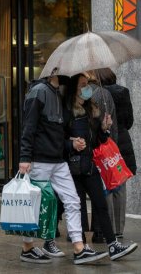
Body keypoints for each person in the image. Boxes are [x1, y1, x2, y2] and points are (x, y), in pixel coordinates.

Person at [18, 72, 107, 264]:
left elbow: (58, 131)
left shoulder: (58, 94)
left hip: (58, 160)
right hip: (40, 160)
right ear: (56, 72)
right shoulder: (39, 92)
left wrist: (69, 143)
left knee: (73, 200)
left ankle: (79, 247)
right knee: (36, 204)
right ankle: (27, 247)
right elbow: (29, 126)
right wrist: (25, 157)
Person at [62, 72, 137, 260]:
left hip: (90, 165)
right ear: (75, 88)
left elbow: (96, 142)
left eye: (87, 84)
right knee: (77, 208)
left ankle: (112, 245)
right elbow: (58, 140)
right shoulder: (66, 112)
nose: (87, 88)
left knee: (100, 205)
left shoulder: (91, 110)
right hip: (73, 168)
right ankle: (81, 248)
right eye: (83, 84)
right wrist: (71, 144)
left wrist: (104, 129)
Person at [96, 68, 136, 239]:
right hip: (122, 142)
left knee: (107, 185)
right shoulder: (123, 91)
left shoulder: (98, 94)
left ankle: (109, 228)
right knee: (119, 183)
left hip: (106, 141)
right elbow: (129, 121)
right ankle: (119, 228)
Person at [86, 70, 119, 243]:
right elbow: (113, 125)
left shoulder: (83, 96)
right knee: (101, 191)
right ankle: (100, 232)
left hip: (88, 149)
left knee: (86, 193)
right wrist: (112, 145)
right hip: (101, 148)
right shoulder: (104, 94)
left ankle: (83, 231)